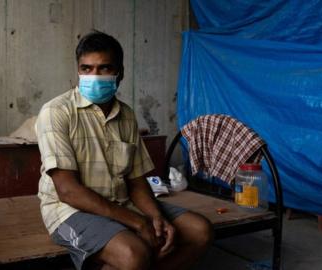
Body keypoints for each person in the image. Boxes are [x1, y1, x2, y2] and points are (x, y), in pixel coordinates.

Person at [36, 30, 213, 270]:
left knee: (199, 230)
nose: (94, 76)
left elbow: (137, 181)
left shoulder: (126, 115)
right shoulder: (56, 112)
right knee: (134, 254)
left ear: (120, 73)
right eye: (86, 69)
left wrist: (155, 217)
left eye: (104, 68)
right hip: (68, 211)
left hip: (120, 202)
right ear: (77, 70)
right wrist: (139, 223)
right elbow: (68, 192)